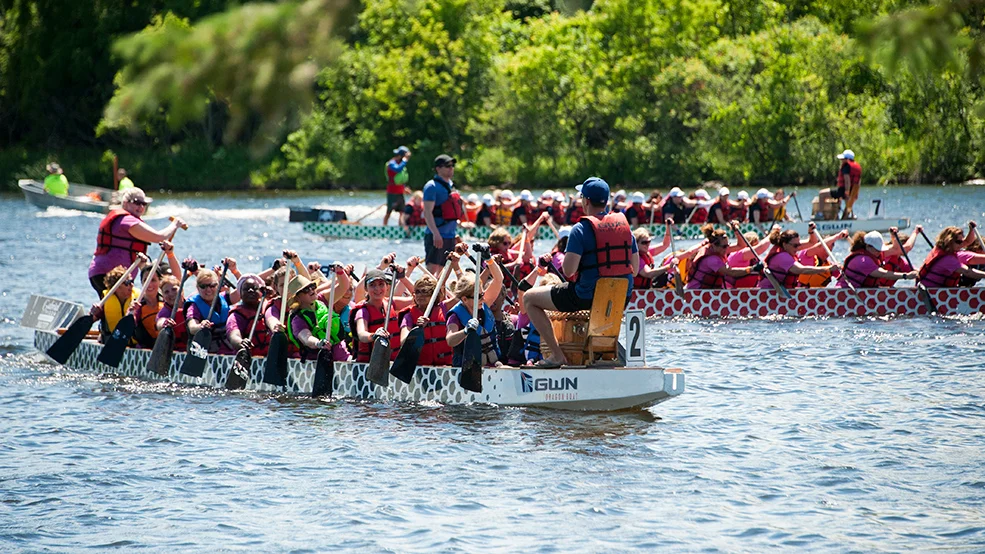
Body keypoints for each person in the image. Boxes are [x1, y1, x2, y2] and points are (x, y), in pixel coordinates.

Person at [523, 177, 639, 368]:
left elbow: (568, 271)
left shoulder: (580, 229)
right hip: (620, 296)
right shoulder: (626, 229)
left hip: (585, 295)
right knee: (602, 302)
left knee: (529, 298)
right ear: (606, 201)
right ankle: (602, 354)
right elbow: (634, 270)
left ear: (585, 201)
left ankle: (557, 356)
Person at [87, 188, 185, 297]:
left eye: (143, 204)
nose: (141, 207)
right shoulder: (126, 220)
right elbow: (159, 237)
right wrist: (175, 224)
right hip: (108, 275)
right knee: (115, 309)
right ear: (125, 203)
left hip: (114, 276)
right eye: (137, 203)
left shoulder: (129, 220)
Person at [445, 261, 505, 367]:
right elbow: (450, 340)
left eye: (482, 294)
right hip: (467, 369)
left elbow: (499, 279)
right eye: (479, 297)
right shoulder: (455, 316)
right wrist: (465, 331)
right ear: (464, 299)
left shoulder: (484, 304)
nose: (483, 298)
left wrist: (489, 260)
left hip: (493, 365)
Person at [351, 268, 414, 363]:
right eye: (372, 285)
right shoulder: (363, 311)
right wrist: (374, 335)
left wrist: (403, 277)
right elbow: (362, 334)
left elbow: (417, 297)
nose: (377, 289)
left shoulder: (391, 302)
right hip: (370, 365)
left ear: (387, 286)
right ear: (366, 288)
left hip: (392, 362)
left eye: (381, 284)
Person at [287, 270, 349, 362]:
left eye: (312, 286)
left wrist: (340, 272)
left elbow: (343, 287)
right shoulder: (297, 319)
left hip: (342, 357)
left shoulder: (322, 299)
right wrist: (318, 343)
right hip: (317, 363)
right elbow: (306, 338)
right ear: (298, 297)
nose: (312, 290)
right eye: (306, 289)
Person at [398, 274, 453, 366]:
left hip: (445, 367)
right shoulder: (409, 316)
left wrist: (455, 266)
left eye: (425, 291)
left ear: (433, 294)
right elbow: (403, 341)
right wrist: (416, 329)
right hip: (422, 368)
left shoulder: (444, 308)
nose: (420, 295)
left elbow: (464, 294)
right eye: (417, 292)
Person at [92, 257, 149, 343]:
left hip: (134, 346)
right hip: (112, 344)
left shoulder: (139, 299)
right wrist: (93, 312)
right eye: (127, 283)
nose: (132, 285)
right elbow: (93, 318)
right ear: (116, 287)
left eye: (131, 281)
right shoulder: (105, 301)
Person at [185, 265, 240, 354]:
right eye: (203, 286)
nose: (208, 290)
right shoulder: (194, 306)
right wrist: (201, 326)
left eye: (212, 286)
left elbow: (242, 290)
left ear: (218, 286)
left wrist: (234, 270)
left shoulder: (224, 298)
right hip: (204, 352)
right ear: (198, 287)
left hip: (227, 352)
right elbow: (192, 327)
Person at [422, 154, 462, 275]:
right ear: (438, 168)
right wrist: (436, 233)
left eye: (452, 166)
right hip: (437, 235)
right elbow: (427, 212)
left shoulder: (451, 186)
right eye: (447, 166)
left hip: (450, 236)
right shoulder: (431, 186)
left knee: (444, 271)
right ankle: (426, 293)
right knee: (432, 269)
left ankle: (440, 293)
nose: (451, 168)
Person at [686, 225, 761, 289]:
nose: (727, 249)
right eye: (724, 246)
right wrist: (752, 269)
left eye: (728, 245)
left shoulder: (718, 249)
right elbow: (731, 272)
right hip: (695, 292)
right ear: (714, 245)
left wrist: (736, 231)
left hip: (706, 292)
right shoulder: (712, 260)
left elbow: (741, 246)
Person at [759, 228, 834, 290]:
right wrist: (828, 269)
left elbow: (812, 242)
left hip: (780, 291)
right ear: (785, 244)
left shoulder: (788, 248)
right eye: (795, 245)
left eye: (799, 245)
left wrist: (811, 232)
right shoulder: (782, 256)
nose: (798, 248)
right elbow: (801, 270)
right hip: (767, 292)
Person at [837, 231, 917, 288]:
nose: (879, 252)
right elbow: (883, 274)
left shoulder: (870, 254)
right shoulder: (864, 261)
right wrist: (905, 276)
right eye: (877, 249)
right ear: (868, 246)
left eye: (880, 249)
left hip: (860, 291)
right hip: (844, 292)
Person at [918, 224, 985, 287]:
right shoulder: (948, 260)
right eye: (959, 242)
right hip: (930, 293)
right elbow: (968, 272)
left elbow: (967, 241)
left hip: (931, 290)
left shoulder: (943, 250)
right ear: (949, 241)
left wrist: (971, 230)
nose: (961, 245)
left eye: (961, 242)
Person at [226, 274, 273, 357]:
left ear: (260, 292)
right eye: (246, 289)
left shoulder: (269, 308)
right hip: (247, 359)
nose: (251, 291)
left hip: (269, 359)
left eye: (254, 288)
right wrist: (240, 342)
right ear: (240, 294)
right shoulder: (236, 315)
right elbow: (233, 335)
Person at [819, 149, 861, 220]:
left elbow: (847, 180)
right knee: (848, 203)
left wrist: (847, 192)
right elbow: (858, 182)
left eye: (843, 159)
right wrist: (850, 193)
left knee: (821, 194)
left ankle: (820, 215)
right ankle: (846, 218)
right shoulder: (856, 167)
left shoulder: (846, 166)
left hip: (843, 190)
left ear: (847, 159)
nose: (841, 161)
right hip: (853, 191)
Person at [383, 146, 411, 226]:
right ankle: (384, 227)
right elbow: (397, 169)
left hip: (400, 192)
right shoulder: (391, 163)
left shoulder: (402, 164)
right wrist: (405, 160)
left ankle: (401, 228)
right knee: (389, 212)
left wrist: (404, 188)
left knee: (402, 212)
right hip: (392, 192)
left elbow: (401, 178)